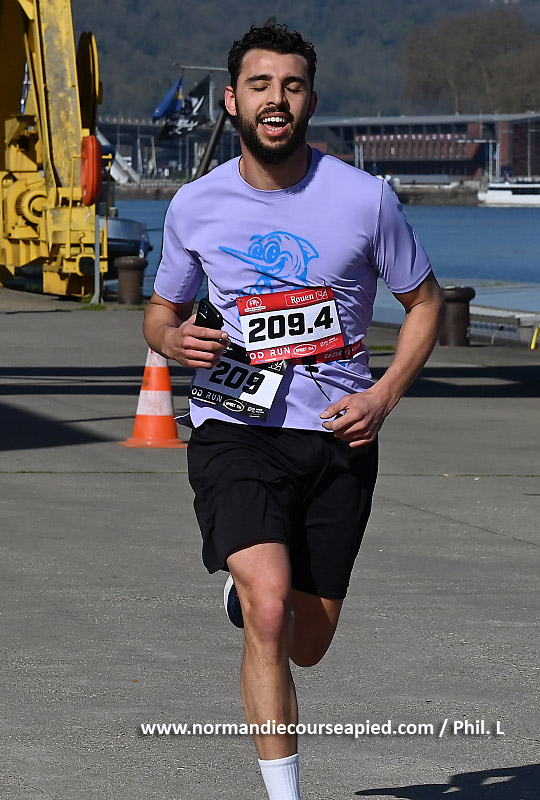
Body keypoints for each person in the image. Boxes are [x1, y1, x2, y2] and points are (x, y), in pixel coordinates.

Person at [143, 23, 444, 800]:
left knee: (306, 641)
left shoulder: (364, 199)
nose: (275, 100)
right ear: (233, 100)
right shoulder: (195, 205)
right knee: (272, 612)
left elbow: (425, 303)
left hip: (339, 436)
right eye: (260, 85)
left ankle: (250, 597)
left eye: (291, 85)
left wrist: (382, 395)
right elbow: (160, 313)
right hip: (236, 427)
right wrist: (174, 340)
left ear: (310, 99)